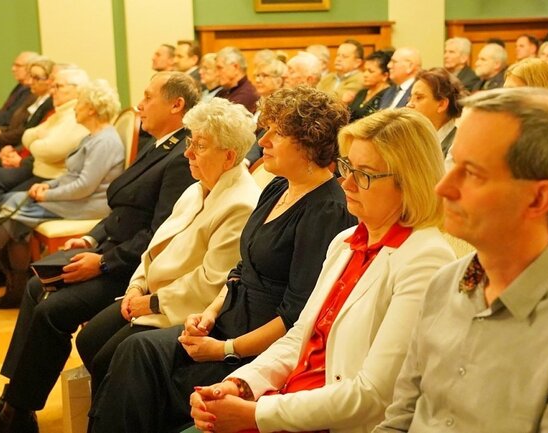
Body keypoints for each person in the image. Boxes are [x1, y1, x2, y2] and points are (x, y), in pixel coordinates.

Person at [86, 86, 357, 433]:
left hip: (256, 344)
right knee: (136, 351)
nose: (264, 140)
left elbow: (297, 315)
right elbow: (241, 268)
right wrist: (209, 314)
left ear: (309, 143)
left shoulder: (327, 209)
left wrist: (223, 348)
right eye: (266, 129)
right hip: (228, 320)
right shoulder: (278, 186)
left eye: (277, 133)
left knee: (142, 365)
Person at [372, 87, 548, 433]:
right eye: (454, 164)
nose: (443, 188)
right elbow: (399, 421)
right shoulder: (444, 283)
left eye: (472, 173)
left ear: (538, 199)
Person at [189, 108, 456, 433]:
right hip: (292, 399)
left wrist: (257, 414)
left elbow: (374, 394)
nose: (347, 183)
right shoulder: (346, 242)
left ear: (410, 182)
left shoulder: (425, 259)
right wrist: (241, 384)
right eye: (347, 167)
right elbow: (300, 337)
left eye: (365, 174)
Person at [0, 71, 198, 433]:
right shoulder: (159, 144)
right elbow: (123, 209)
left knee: (52, 310)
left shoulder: (181, 155)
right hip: (109, 248)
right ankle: (14, 400)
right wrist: (89, 239)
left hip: (131, 268)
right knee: (36, 285)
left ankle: (18, 410)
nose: (139, 105)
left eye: (148, 97)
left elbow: (160, 234)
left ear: (176, 105)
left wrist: (102, 263)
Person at [76, 97, 262, 397]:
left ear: (228, 157)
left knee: (107, 358)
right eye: (190, 142)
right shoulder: (196, 188)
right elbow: (156, 247)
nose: (188, 152)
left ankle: (111, 411)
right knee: (89, 339)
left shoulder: (241, 204)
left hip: (183, 310)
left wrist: (152, 302)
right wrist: (136, 286)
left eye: (200, 146)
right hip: (151, 294)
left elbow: (211, 282)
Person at [0, 79, 125, 309]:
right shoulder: (92, 136)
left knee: (9, 209)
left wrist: (47, 196)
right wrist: (48, 186)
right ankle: (11, 279)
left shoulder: (105, 141)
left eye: (80, 103)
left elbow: (84, 186)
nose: (75, 108)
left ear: (92, 108)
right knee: (10, 208)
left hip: (88, 204)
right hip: (75, 198)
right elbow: (70, 175)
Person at [0, 68, 89, 246]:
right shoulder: (59, 112)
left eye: (58, 86)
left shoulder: (76, 115)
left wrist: (37, 143)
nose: (52, 90)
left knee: (6, 200)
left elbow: (50, 149)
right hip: (39, 170)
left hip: (53, 179)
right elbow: (29, 134)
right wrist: (38, 142)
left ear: (77, 89)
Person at [0, 58, 54, 161]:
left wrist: (13, 149)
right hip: (10, 145)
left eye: (36, 78)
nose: (30, 82)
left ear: (50, 80)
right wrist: (1, 131)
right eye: (30, 76)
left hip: (21, 152)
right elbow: (17, 123)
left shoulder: (50, 104)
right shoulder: (33, 97)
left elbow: (29, 132)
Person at [406, 67, 467, 156]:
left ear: (442, 104)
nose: (409, 104)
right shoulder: (413, 139)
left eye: (419, 98)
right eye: (410, 98)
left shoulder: (456, 146)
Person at [0, 52, 38, 133]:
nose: (13, 69)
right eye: (13, 65)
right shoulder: (20, 86)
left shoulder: (31, 90)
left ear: (30, 68)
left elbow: (11, 115)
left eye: (18, 66)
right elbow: (4, 111)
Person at [349, 50, 392, 122]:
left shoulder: (388, 95)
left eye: (370, 71)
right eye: (364, 70)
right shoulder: (362, 92)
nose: (365, 75)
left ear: (385, 75)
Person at [317, 40, 364, 104]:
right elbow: (315, 96)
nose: (338, 59)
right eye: (338, 55)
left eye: (344, 56)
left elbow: (338, 99)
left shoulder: (361, 79)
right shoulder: (327, 77)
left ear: (357, 62)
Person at [215, 46, 259, 113]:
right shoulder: (222, 92)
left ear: (235, 67)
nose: (217, 74)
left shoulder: (247, 95)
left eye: (220, 68)